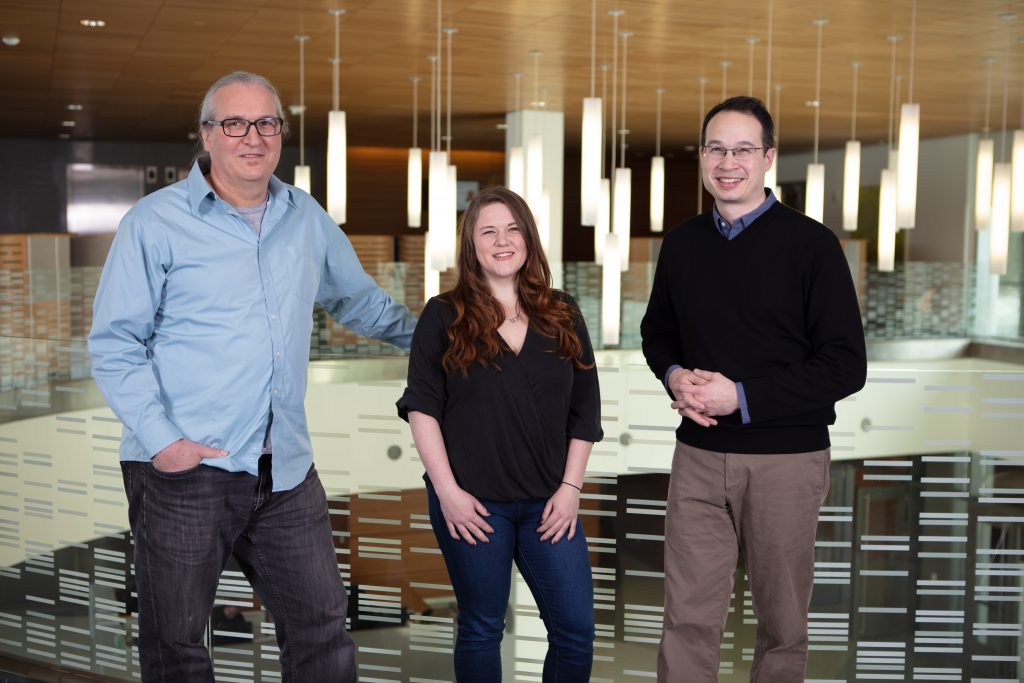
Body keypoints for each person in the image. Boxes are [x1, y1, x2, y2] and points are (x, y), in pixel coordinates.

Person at [87, 71, 416, 682]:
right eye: (234, 123)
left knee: (322, 632)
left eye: (267, 123)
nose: (252, 137)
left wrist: (446, 340)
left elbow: (360, 303)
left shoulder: (305, 216)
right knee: (176, 645)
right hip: (187, 470)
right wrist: (164, 443)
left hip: (284, 469)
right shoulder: (154, 222)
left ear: (281, 135)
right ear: (206, 136)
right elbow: (115, 344)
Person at [640, 96, 867, 682]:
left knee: (782, 623)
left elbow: (845, 366)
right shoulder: (683, 244)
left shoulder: (813, 246)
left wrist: (738, 396)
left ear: (767, 158)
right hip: (697, 455)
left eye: (743, 148)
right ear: (702, 157)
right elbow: (657, 333)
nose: (728, 161)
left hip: (786, 461)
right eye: (716, 148)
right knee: (686, 617)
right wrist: (673, 375)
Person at [397, 187, 602, 682]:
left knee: (576, 631)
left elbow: (586, 410)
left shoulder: (563, 312)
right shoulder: (442, 315)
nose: (502, 240)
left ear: (528, 239)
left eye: (512, 229)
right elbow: (422, 408)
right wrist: (447, 494)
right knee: (483, 627)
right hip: (473, 506)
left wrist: (571, 489)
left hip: (549, 504)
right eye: (488, 231)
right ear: (472, 245)